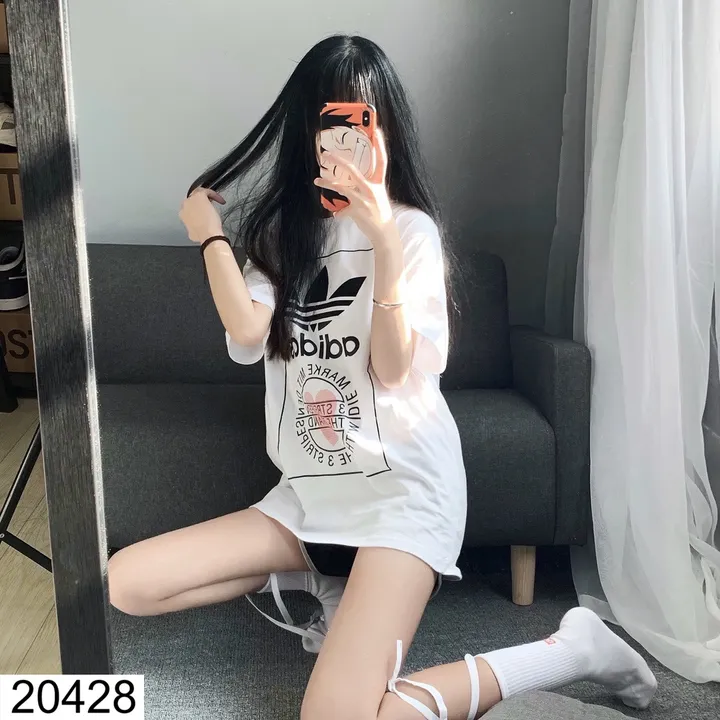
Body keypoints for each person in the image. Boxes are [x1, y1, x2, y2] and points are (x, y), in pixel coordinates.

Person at [107, 35, 657, 719]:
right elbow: (247, 335)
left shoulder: (412, 233)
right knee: (129, 583)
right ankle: (333, 583)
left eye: (359, 124)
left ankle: (573, 650)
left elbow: (393, 369)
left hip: (403, 498)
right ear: (306, 134)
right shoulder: (283, 237)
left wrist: (385, 246)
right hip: (311, 497)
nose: (344, 143)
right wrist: (210, 235)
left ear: (385, 131)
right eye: (328, 124)